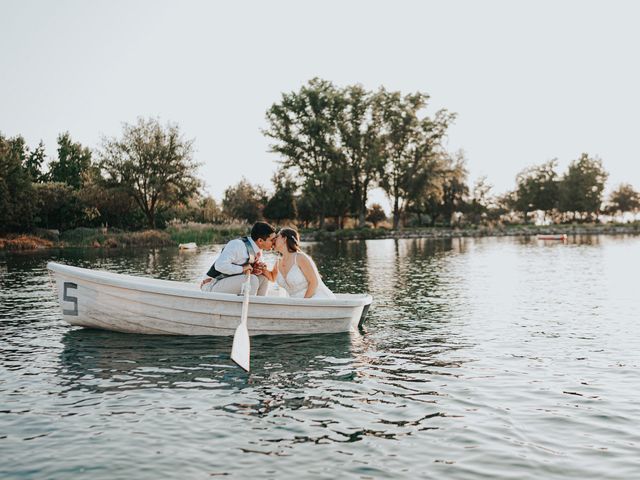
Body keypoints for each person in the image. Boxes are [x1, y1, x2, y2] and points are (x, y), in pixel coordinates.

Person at [200, 222, 276, 295]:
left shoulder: (258, 250)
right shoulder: (237, 245)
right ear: (260, 241)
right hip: (212, 284)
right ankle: (249, 306)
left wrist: (257, 270)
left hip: (227, 283)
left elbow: (248, 270)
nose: (274, 242)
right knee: (252, 280)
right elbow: (219, 265)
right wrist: (243, 268)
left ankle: (259, 306)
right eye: (272, 240)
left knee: (263, 279)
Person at [261, 227, 335, 299]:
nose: (274, 240)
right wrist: (262, 269)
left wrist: (303, 303)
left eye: (277, 237)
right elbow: (273, 277)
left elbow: (314, 282)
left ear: (284, 239)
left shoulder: (300, 257)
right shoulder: (278, 262)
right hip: (295, 303)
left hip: (314, 299)